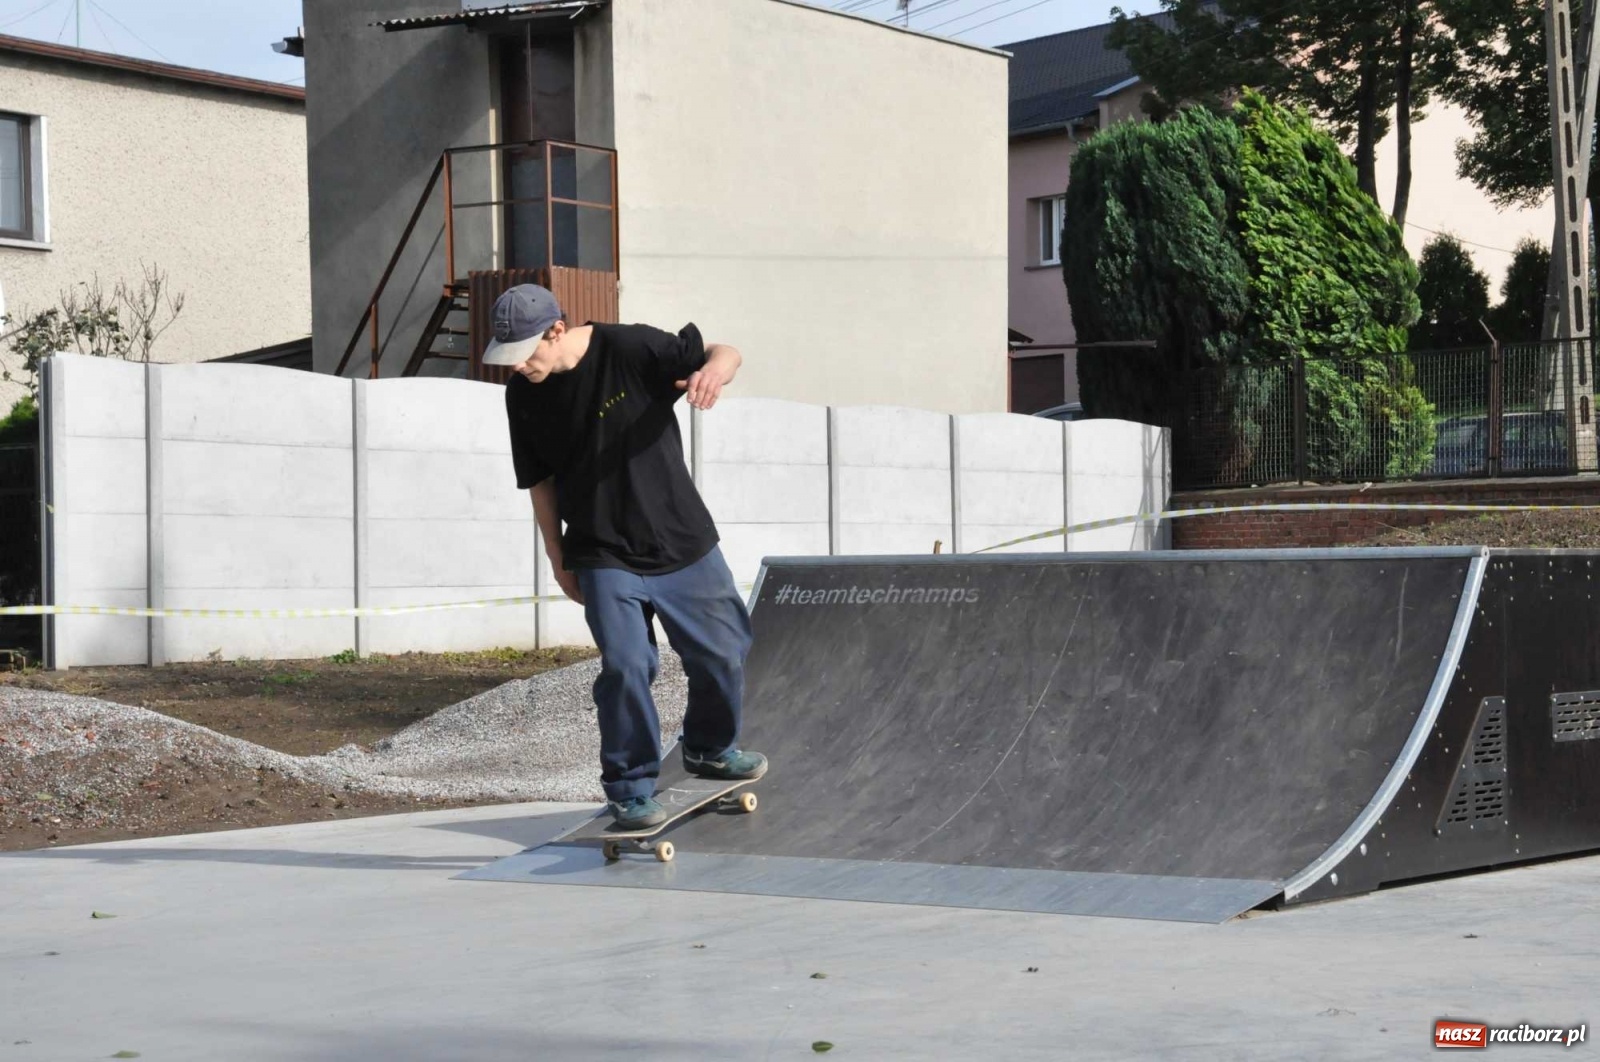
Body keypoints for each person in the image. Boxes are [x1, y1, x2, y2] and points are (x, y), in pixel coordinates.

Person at [484, 284, 766, 829]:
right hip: (600, 550)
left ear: (556, 331)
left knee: (724, 652)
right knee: (628, 665)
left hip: (681, 541)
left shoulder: (631, 349)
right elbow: (540, 481)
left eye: (525, 353)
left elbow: (723, 352)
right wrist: (558, 557)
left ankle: (708, 748)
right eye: (508, 358)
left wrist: (715, 373)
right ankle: (630, 787)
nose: (518, 368)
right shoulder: (524, 395)